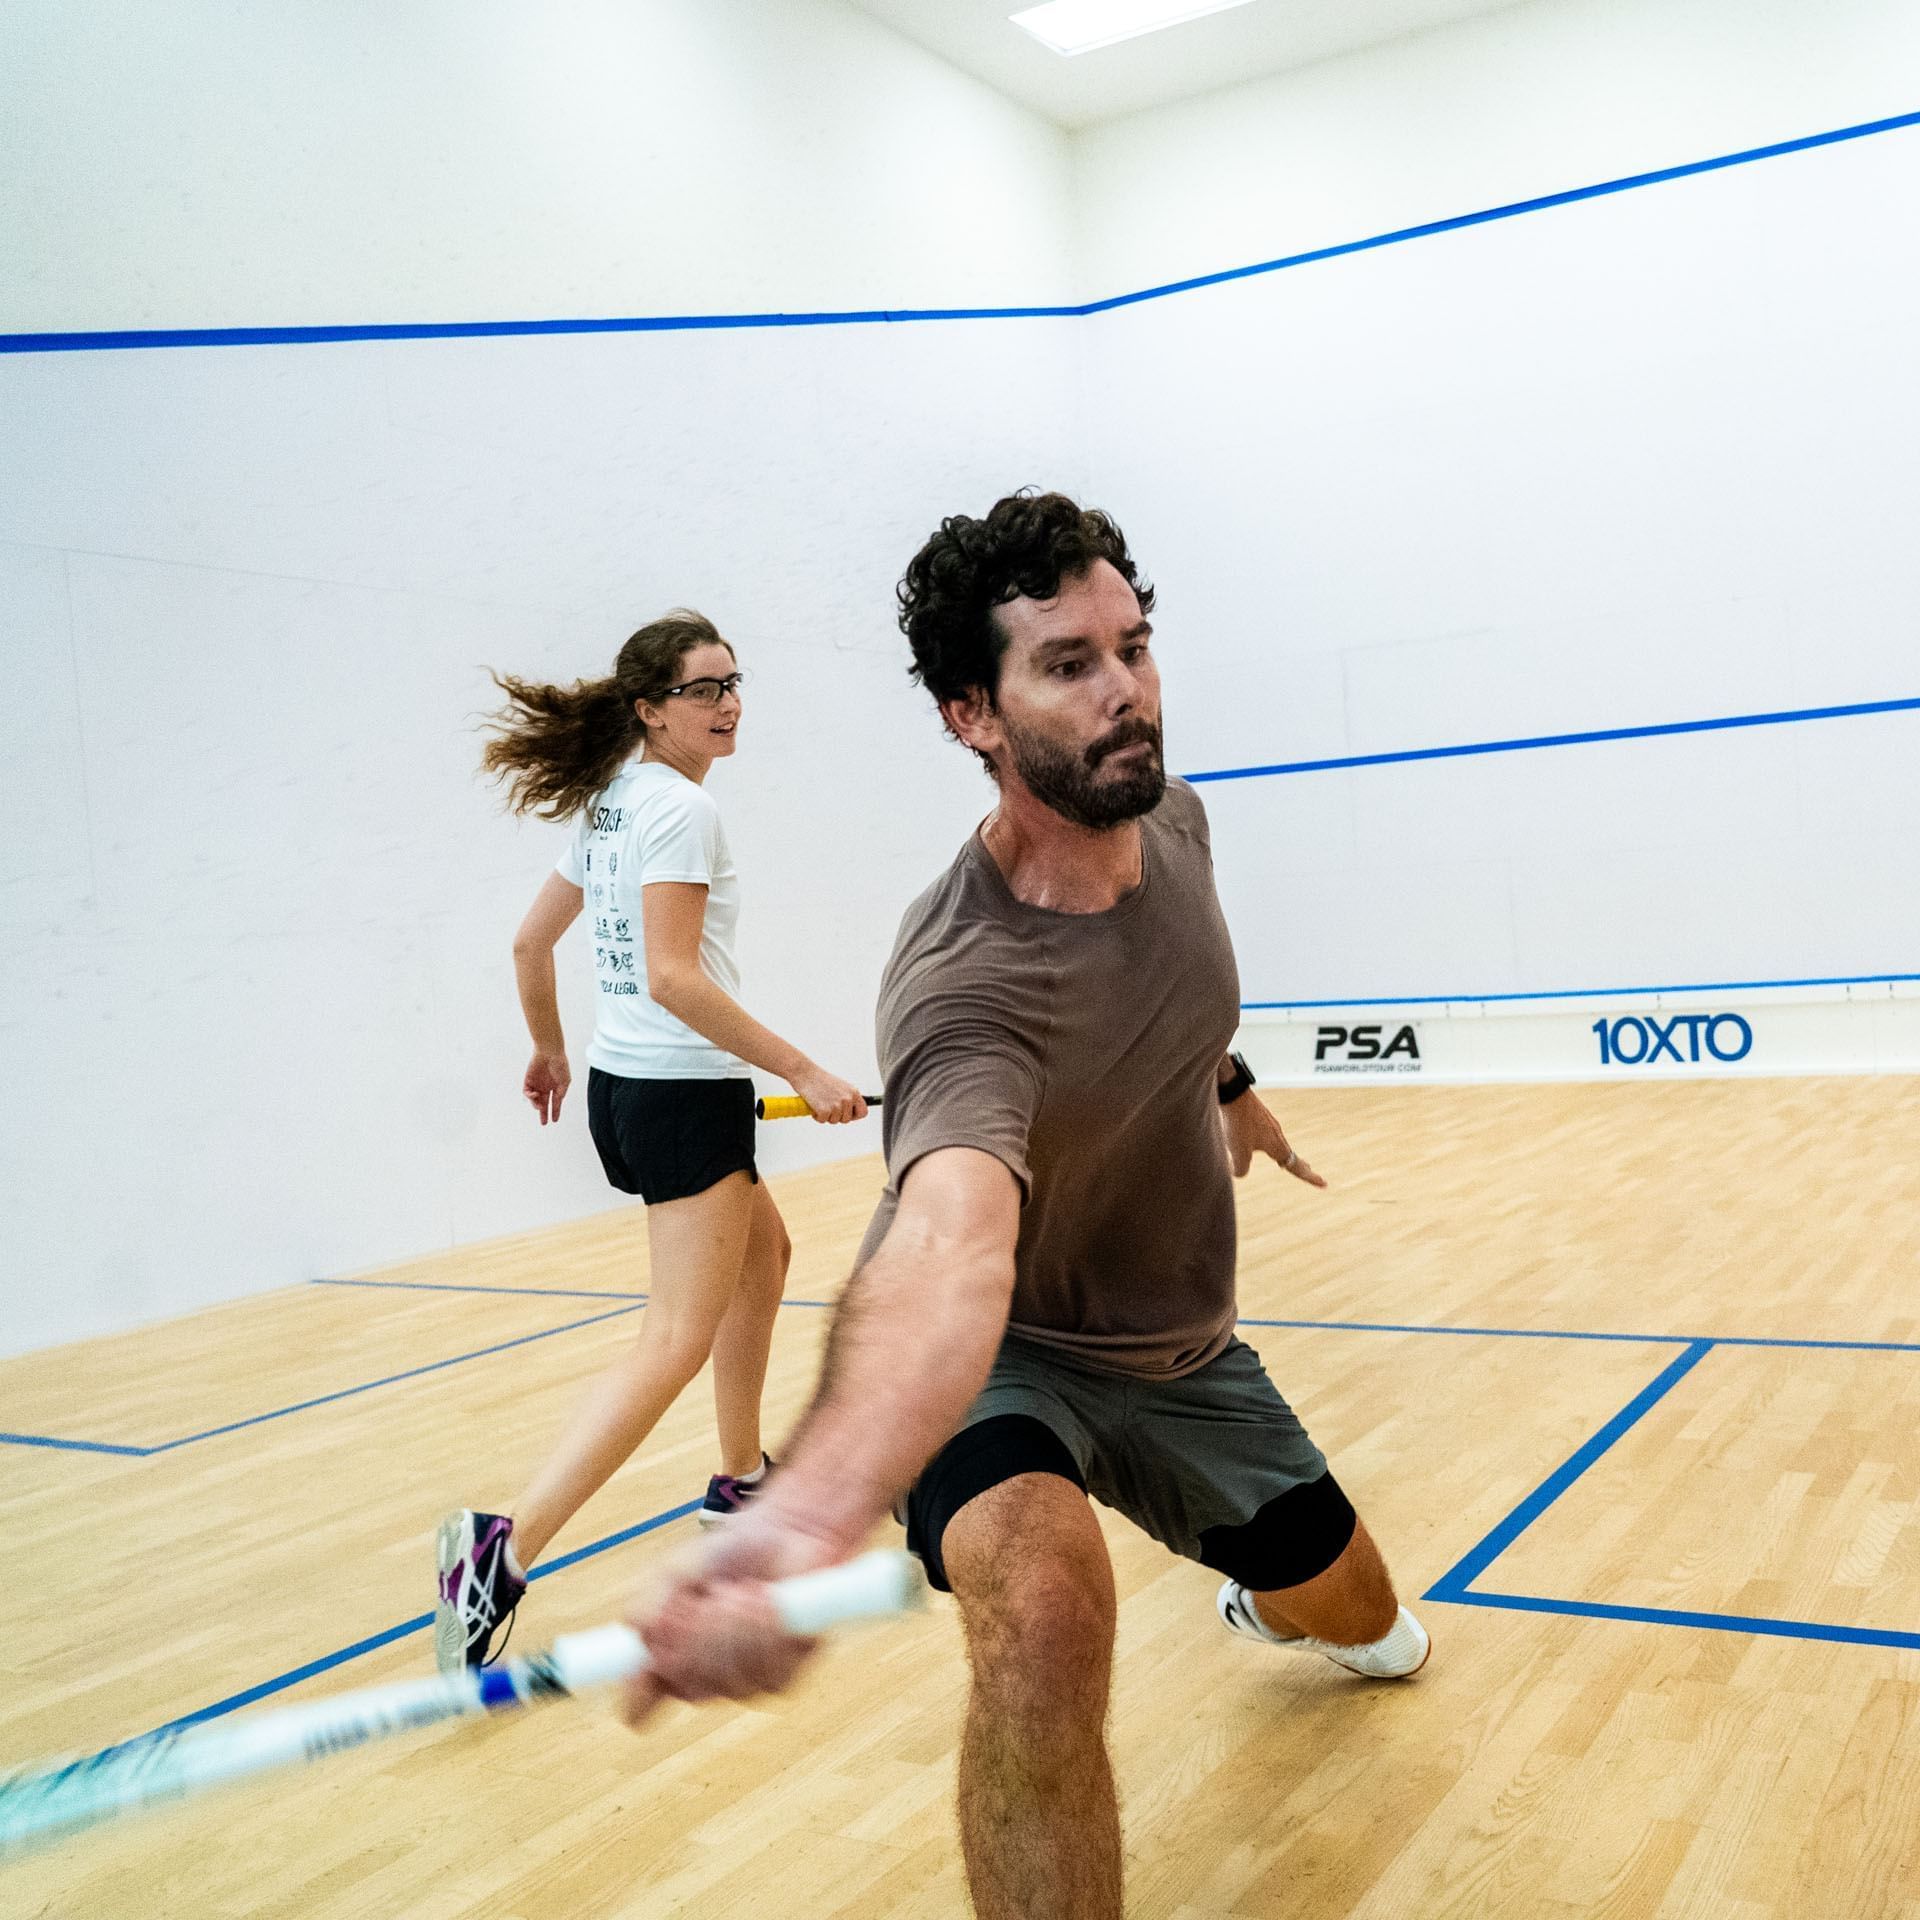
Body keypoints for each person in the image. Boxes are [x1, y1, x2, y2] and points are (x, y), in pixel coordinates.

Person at [620, 499, 1429, 1918]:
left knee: (1376, 1631)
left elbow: (1172, 996)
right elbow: (946, 1246)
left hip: (1183, 1357)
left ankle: (1269, 1595)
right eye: (1065, 664)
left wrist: (1227, 1084)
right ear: (971, 717)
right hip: (1000, 1358)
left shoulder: (1176, 818)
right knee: (1048, 1615)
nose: (1124, 688)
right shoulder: (962, 987)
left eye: (1134, 645)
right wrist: (797, 1518)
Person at [433, 610, 868, 1673]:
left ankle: (740, 1479)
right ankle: (503, 1550)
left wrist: (550, 1051)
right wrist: (802, 1070)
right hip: (681, 1095)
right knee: (674, 1336)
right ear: (648, 708)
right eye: (700, 690)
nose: (726, 704)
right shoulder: (678, 813)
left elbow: (533, 942)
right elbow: (676, 976)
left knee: (765, 1259)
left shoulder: (613, 805)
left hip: (626, 1094)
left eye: (731, 682)